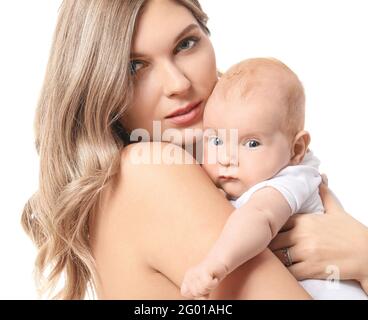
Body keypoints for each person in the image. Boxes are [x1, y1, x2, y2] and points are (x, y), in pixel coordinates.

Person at [21, 0, 368, 300]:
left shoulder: (211, 171)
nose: (178, 84)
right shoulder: (150, 170)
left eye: (186, 44)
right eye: (134, 66)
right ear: (98, 88)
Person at [180, 58, 368, 299]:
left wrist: (215, 265)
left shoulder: (293, 178)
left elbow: (260, 217)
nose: (226, 158)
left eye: (251, 143)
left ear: (297, 149)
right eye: (216, 140)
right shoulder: (245, 177)